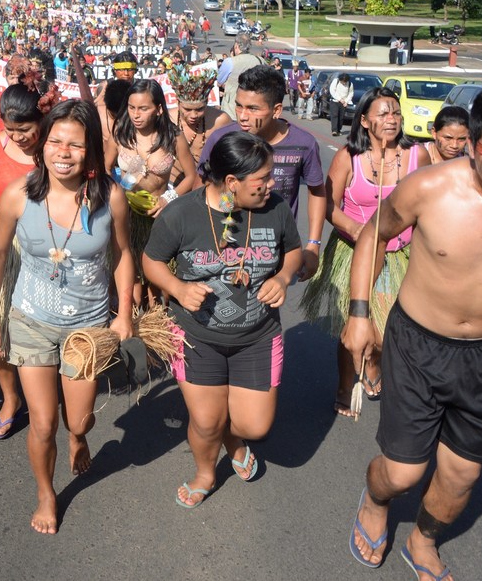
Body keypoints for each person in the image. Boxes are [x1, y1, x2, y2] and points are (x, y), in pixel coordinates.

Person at [344, 80, 482, 579]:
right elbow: (374, 235)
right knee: (402, 471)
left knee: (461, 476)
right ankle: (374, 500)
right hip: (417, 345)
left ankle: (423, 539)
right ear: (473, 146)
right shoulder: (430, 188)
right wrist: (360, 314)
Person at [0, 99, 134, 534]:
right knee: (43, 424)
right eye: (55, 141)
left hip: (87, 329)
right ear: (42, 145)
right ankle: (47, 492)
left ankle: (79, 435)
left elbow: (123, 255)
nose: (63, 152)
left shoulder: (111, 198)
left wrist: (123, 314)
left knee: (78, 418)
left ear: (91, 152)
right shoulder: (18, 195)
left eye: (76, 145)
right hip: (30, 321)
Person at [143, 131, 303, 509]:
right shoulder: (182, 213)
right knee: (206, 422)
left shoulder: (275, 208)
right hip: (197, 335)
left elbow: (293, 250)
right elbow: (150, 261)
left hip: (258, 336)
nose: (271, 185)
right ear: (231, 182)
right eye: (262, 179)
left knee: (254, 426)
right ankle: (205, 473)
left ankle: (235, 440)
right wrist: (179, 288)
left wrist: (282, 277)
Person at [300, 88, 429, 417]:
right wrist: (357, 229)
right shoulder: (348, 156)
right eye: (383, 113)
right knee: (353, 322)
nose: (392, 119)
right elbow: (328, 203)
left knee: (385, 329)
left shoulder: (417, 156)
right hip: (354, 251)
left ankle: (373, 362)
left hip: (398, 254)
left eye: (396, 113)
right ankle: (345, 383)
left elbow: (427, 206)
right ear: (364, 120)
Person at [0, 84, 51, 439]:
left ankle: (46, 394)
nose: (17, 137)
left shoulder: (57, 147)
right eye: (10, 129)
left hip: (51, 248)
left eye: (25, 130)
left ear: (42, 120)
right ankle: (10, 398)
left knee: (44, 324)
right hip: (4, 245)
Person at [200, 65, 326, 279]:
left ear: (276, 110)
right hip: (225, 249)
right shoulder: (220, 140)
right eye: (238, 106)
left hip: (276, 252)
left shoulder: (304, 144)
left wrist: (313, 244)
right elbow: (202, 188)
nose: (242, 116)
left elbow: (316, 192)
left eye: (252, 108)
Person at [108, 79, 198, 305]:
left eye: (143, 108)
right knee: (132, 279)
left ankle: (159, 325)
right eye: (131, 107)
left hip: (160, 217)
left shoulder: (173, 137)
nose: (136, 114)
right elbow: (104, 168)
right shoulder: (120, 132)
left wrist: (169, 198)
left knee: (159, 286)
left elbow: (191, 176)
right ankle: (133, 323)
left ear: (158, 109)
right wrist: (123, 185)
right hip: (125, 216)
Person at [217, 42, 262, 120]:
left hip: (232, 109)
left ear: (236, 46)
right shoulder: (260, 60)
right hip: (254, 108)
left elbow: (219, 81)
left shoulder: (230, 62)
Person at [328, 72, 355, 137]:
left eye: (345, 82)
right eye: (343, 81)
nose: (344, 83)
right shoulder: (336, 81)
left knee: (341, 117)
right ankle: (334, 130)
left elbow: (351, 93)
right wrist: (340, 99)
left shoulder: (350, 84)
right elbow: (332, 91)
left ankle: (338, 130)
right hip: (335, 101)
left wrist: (346, 101)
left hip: (344, 103)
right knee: (335, 115)